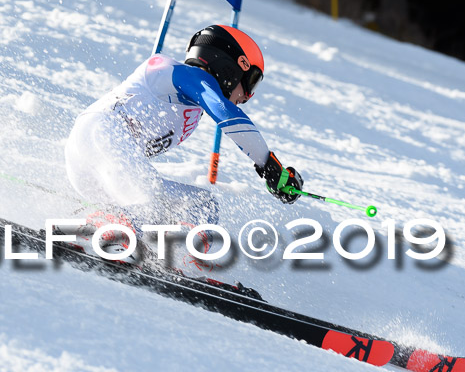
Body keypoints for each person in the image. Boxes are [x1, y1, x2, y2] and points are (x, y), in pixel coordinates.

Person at [63, 25, 303, 264]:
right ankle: (96, 228)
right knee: (152, 204)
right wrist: (269, 165)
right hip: (101, 137)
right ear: (233, 65)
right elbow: (226, 113)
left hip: (99, 166)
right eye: (251, 81)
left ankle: (177, 263)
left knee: (202, 206)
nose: (248, 96)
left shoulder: (192, 101)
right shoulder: (182, 73)